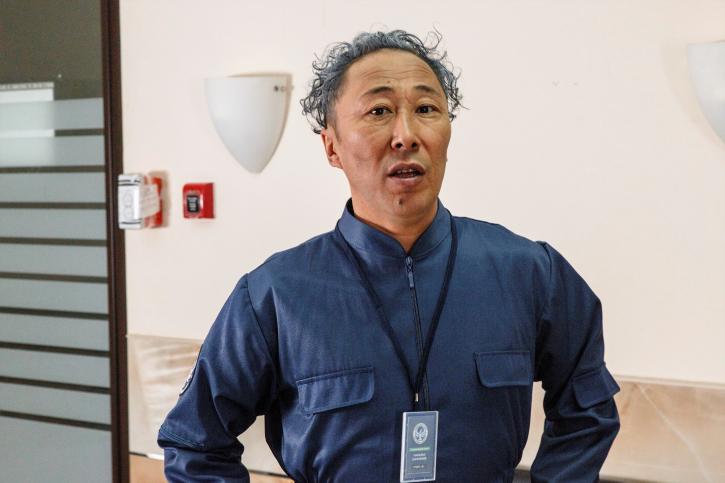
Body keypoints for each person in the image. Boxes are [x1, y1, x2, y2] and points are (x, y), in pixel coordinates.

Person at [158, 29, 620, 482]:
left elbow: (587, 409)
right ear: (332, 146)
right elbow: (195, 443)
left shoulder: (530, 271)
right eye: (379, 111)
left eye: (426, 109)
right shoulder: (274, 294)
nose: (406, 135)